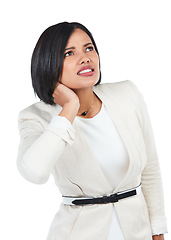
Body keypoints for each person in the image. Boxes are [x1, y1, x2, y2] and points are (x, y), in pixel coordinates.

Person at [16, 21, 168, 240]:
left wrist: (157, 229)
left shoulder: (127, 94)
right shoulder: (35, 116)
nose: (85, 57)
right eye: (69, 53)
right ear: (48, 64)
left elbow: (150, 168)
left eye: (89, 48)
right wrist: (69, 109)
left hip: (137, 232)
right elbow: (34, 172)